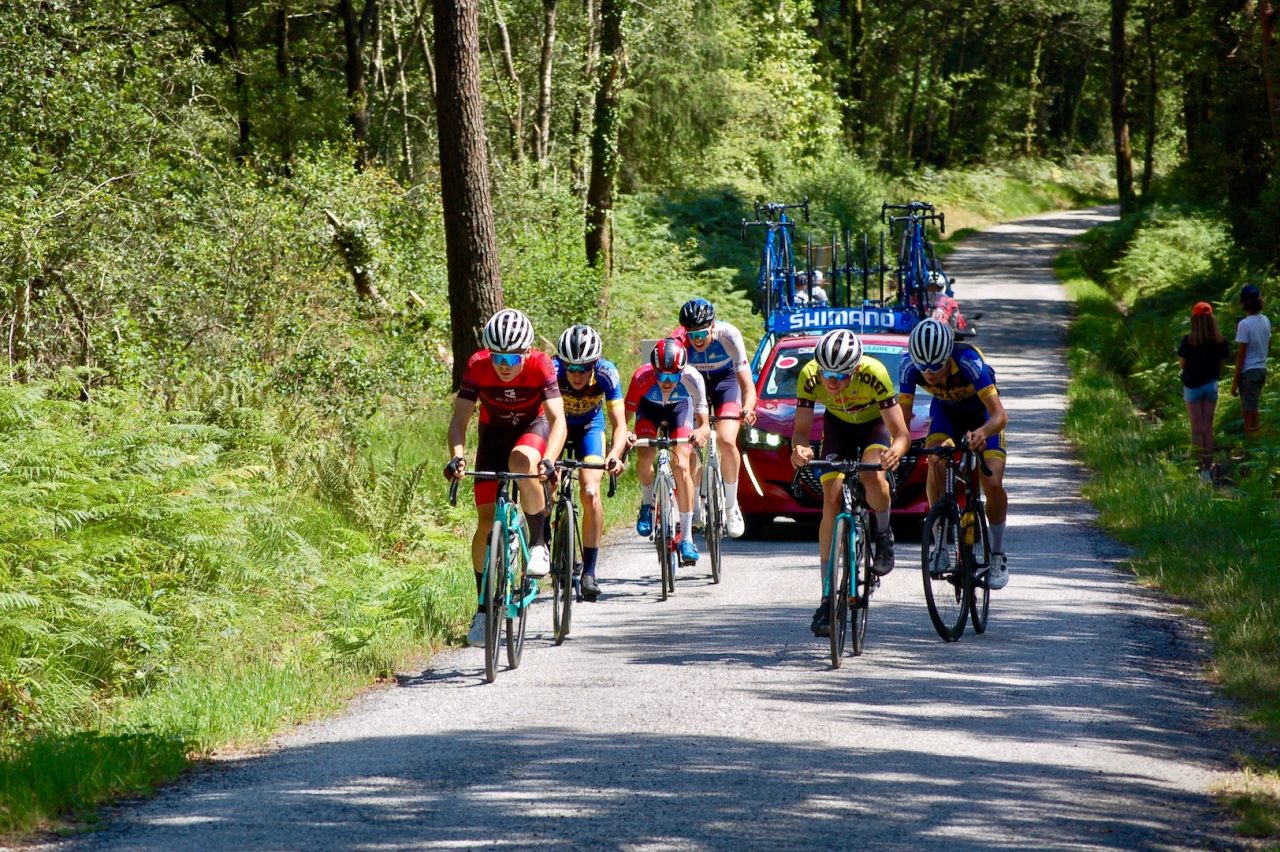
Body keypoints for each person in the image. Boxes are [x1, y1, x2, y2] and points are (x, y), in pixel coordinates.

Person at [444, 308, 567, 647]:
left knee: (522, 459)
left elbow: (558, 420)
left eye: (513, 357)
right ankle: (483, 609)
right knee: (485, 522)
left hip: (533, 428)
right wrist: (457, 455)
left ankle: (539, 542)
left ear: (526, 352)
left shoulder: (541, 365)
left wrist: (549, 460)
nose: (504, 364)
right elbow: (459, 421)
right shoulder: (478, 366)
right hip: (493, 434)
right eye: (498, 356)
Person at [790, 328, 910, 637]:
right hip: (837, 428)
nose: (831, 380)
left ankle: (883, 533)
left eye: (840, 375)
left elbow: (901, 434)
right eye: (827, 371)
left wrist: (894, 453)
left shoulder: (875, 374)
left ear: (855, 368)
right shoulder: (810, 375)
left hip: (874, 428)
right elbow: (801, 432)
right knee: (830, 498)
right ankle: (827, 598)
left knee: (872, 475)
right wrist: (799, 450)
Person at [899, 318, 1011, 589]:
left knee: (992, 481)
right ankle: (940, 540)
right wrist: (897, 446)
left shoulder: (968, 360)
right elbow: (900, 421)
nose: (928, 372)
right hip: (946, 414)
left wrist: (983, 432)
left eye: (935, 366)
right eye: (922, 366)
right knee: (935, 461)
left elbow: (1000, 415)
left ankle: (997, 554)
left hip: (981, 415)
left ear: (947, 354)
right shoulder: (908, 367)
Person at [553, 324, 628, 601]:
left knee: (590, 491)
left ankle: (589, 573)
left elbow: (619, 425)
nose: (576, 374)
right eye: (570, 367)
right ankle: (546, 546)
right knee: (546, 485)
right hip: (556, 428)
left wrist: (614, 455)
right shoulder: (552, 371)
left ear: (595, 364)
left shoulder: (607, 373)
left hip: (590, 429)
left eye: (584, 368)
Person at [673, 298, 757, 538]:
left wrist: (748, 408)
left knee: (727, 440)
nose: (697, 340)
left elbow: (747, 386)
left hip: (725, 384)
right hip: (693, 387)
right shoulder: (679, 341)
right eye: (692, 334)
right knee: (687, 445)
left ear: (712, 326)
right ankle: (695, 508)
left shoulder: (729, 335)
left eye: (702, 333)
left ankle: (731, 507)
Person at [625, 337, 711, 567]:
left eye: (673, 376)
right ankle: (647, 502)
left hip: (679, 411)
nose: (667, 381)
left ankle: (687, 538)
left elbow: (704, 424)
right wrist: (626, 435)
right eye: (662, 375)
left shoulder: (693, 378)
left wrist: (701, 433)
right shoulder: (641, 378)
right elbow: (624, 420)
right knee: (645, 456)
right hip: (648, 410)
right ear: (653, 370)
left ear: (682, 371)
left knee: (682, 465)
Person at [1178, 302, 1230, 478]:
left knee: (1196, 429)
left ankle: (1196, 469)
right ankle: (1206, 472)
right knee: (1208, 428)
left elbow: (1182, 363)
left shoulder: (1189, 340)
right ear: (1211, 318)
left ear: (1194, 318)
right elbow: (1221, 364)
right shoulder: (1220, 340)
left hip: (1192, 387)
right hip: (1211, 385)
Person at [1231, 284, 1271, 441]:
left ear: (1243, 302)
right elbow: (1268, 343)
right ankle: (1255, 443)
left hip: (1249, 371)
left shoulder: (1244, 324)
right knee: (1252, 408)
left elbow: (1241, 354)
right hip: (1262, 368)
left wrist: (1234, 383)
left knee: (1249, 411)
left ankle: (1253, 444)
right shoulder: (1265, 320)